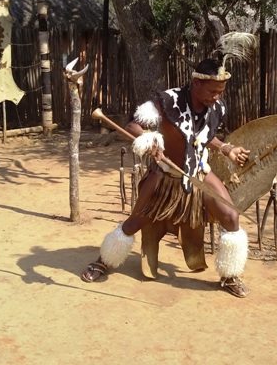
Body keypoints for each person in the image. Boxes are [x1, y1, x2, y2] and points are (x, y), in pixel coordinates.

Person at [81, 58, 251, 298]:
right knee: (133, 223)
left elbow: (201, 136)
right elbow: (133, 127)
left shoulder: (216, 107)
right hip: (166, 175)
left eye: (220, 92)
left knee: (231, 217)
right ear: (196, 83)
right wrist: (150, 140)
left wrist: (225, 148)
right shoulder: (168, 101)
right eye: (212, 91)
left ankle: (230, 275)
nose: (216, 97)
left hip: (199, 173)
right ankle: (104, 260)